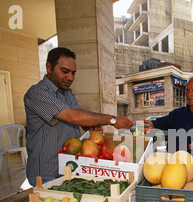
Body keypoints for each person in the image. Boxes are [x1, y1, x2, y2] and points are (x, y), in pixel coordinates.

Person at [24, 47, 133, 186]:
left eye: (73, 73)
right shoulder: (38, 93)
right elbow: (72, 116)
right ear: (49, 67)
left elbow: (80, 118)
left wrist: (90, 125)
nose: (70, 77)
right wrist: (112, 120)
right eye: (65, 71)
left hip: (68, 169)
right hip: (46, 173)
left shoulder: (67, 94)